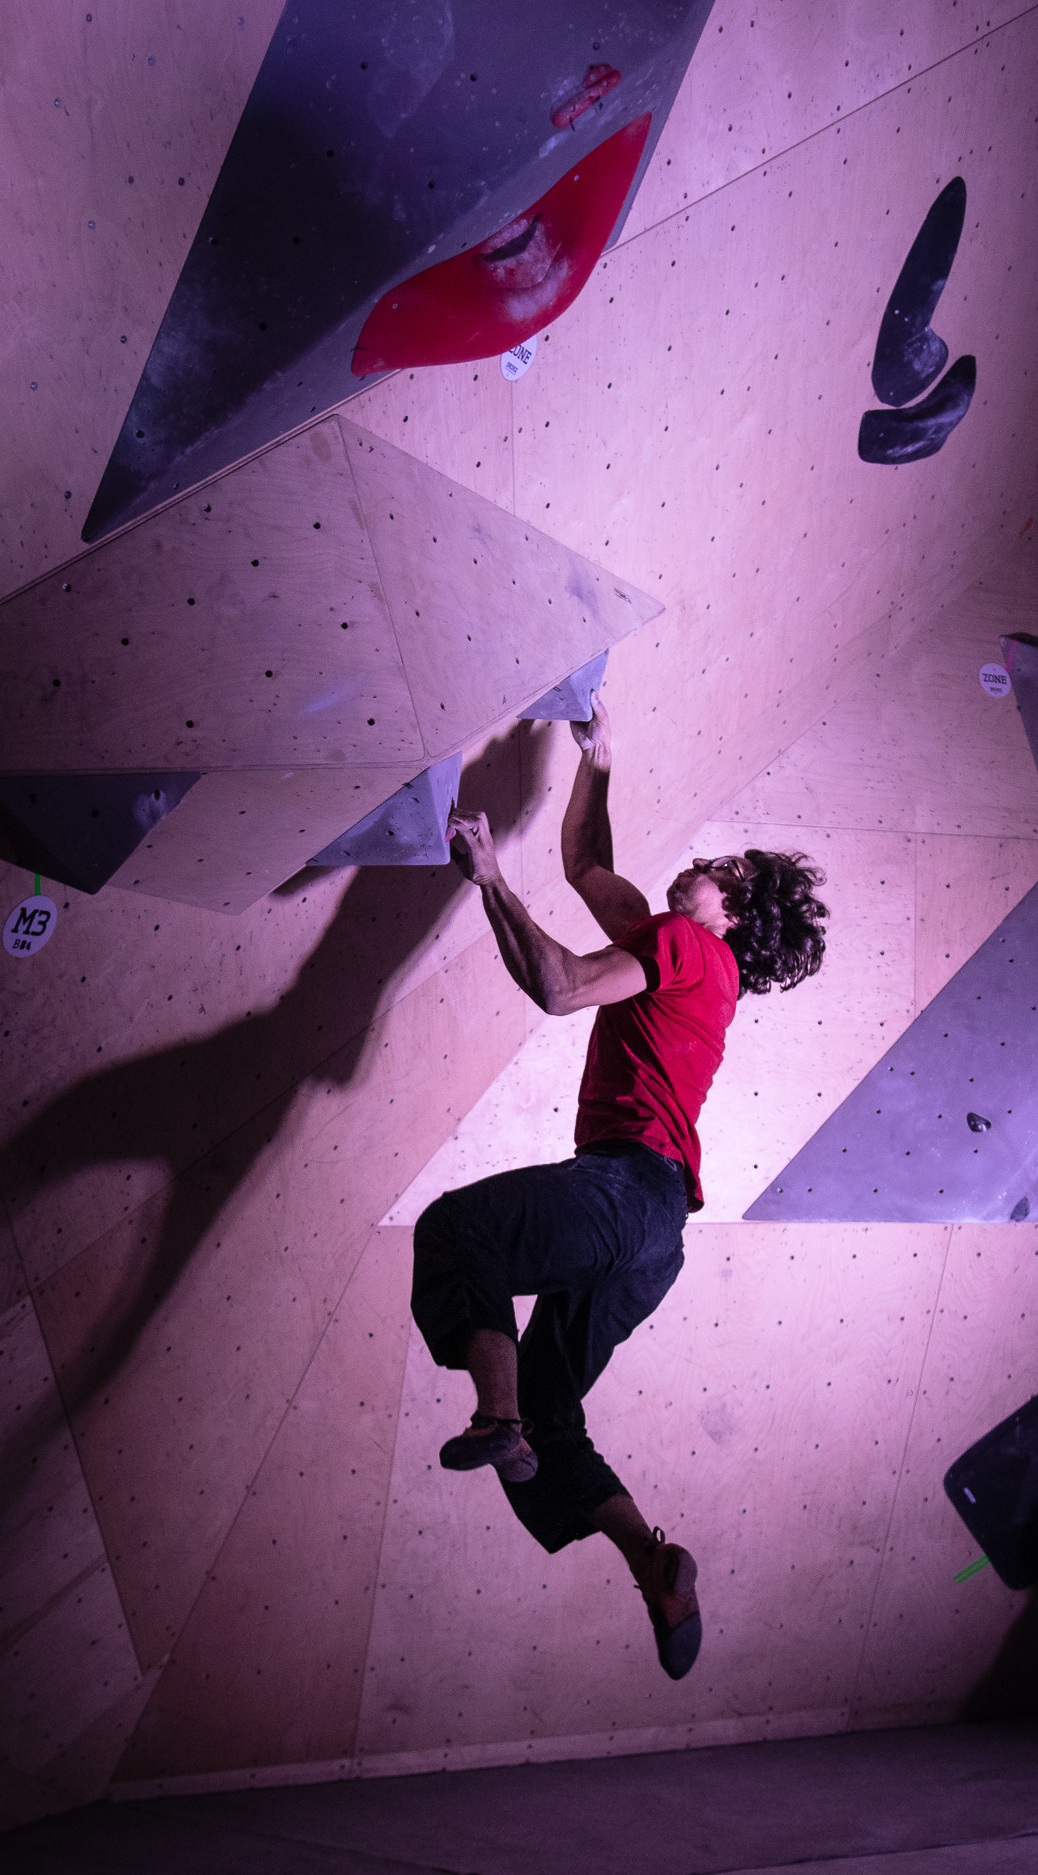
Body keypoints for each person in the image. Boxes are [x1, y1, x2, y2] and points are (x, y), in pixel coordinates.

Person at [411, 696, 829, 1678]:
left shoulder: (686, 945)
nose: (705, 864)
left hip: (628, 1190)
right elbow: (586, 864)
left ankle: (497, 1417)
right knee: (556, 1414)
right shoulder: (693, 963)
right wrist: (596, 758)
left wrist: (491, 880)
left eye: (724, 871)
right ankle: (652, 1563)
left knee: (459, 1231)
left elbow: (558, 987)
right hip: (654, 1239)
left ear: (735, 911)